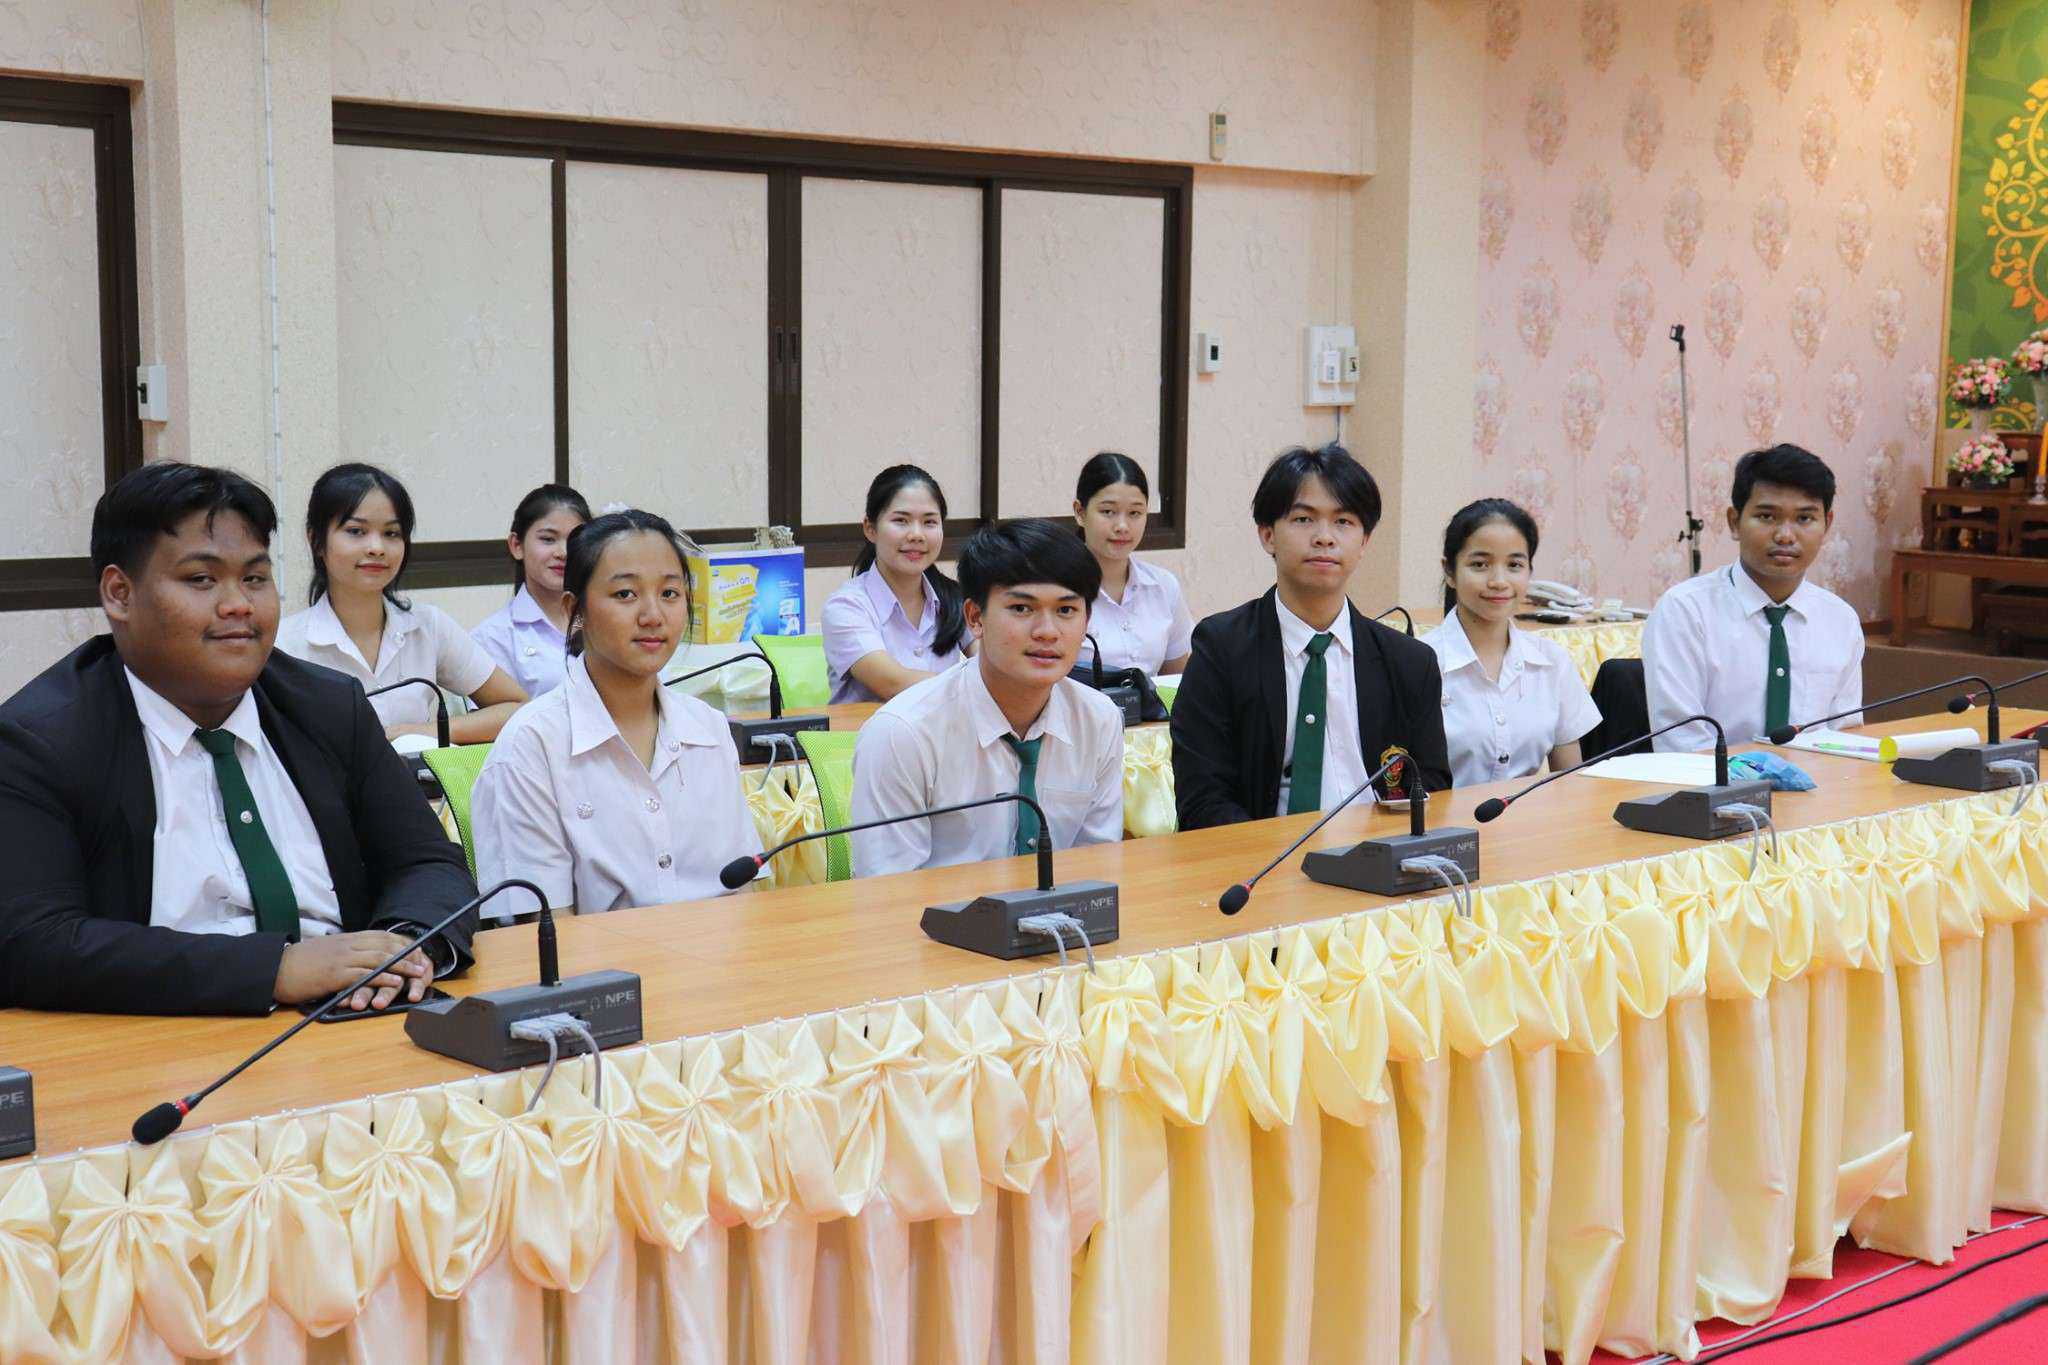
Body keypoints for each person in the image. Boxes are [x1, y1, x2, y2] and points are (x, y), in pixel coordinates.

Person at [0, 462, 479, 1015]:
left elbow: (428, 864)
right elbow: (33, 941)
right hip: (162, 1034)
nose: (239, 605)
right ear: (120, 593)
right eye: (202, 580)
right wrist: (272, 969)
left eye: (254, 579)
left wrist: (404, 949)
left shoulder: (329, 708)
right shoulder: (40, 741)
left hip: (355, 1018)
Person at [471, 510, 761, 916]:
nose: (653, 616)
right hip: (600, 958)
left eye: (670, 593)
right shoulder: (531, 746)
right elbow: (542, 930)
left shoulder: (709, 727)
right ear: (576, 610)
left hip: (720, 952)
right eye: (625, 594)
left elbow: (745, 893)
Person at [1170, 443, 1451, 830]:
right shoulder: (1221, 649)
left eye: (1344, 521)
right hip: (1263, 857)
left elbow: (1431, 788)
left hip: (1379, 854)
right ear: (1267, 535)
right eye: (1303, 519)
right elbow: (1202, 799)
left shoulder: (1410, 662)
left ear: (1364, 542)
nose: (1324, 537)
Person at [849, 518, 1124, 878]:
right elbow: (888, 892)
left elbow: (1096, 870)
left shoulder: (1099, 719)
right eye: (1022, 609)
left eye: (1066, 611)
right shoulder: (903, 734)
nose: (1047, 632)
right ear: (975, 618)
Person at [276, 463, 527, 743]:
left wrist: (428, 732)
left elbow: (517, 708)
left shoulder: (429, 626)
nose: (377, 548)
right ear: (316, 540)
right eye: (356, 531)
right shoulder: (284, 645)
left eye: (391, 533)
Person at [1643, 444, 1863, 752]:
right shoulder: (1685, 611)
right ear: (1734, 522)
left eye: (1804, 518)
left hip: (1817, 781)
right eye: (1767, 516)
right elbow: (1682, 745)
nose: (1785, 535)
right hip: (1709, 780)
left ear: (1827, 524)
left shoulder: (1841, 620)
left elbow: (1844, 738)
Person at [1422, 499, 1601, 788]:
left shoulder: (1552, 661)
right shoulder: (1418, 663)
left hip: (1532, 817)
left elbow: (1570, 784)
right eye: (1480, 565)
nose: (1499, 581)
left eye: (1514, 565)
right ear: (1450, 571)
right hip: (1443, 817)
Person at [821, 465, 969, 703]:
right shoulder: (845, 607)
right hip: (866, 728)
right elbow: (893, 683)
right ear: (870, 529)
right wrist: (973, 685)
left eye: (929, 522)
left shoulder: (958, 599)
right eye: (901, 520)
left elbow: (994, 663)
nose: (917, 535)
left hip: (945, 726)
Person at [1071, 450, 1194, 676]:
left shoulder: (1164, 586)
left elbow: (1175, 680)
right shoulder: (1056, 587)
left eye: (1135, 513)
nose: (1122, 526)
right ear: (1080, 512)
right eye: (1108, 511)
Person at [472, 483, 592, 700]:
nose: (563, 552)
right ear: (517, 545)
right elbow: (496, 716)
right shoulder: (492, 637)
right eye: (548, 539)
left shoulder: (606, 618)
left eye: (574, 540)